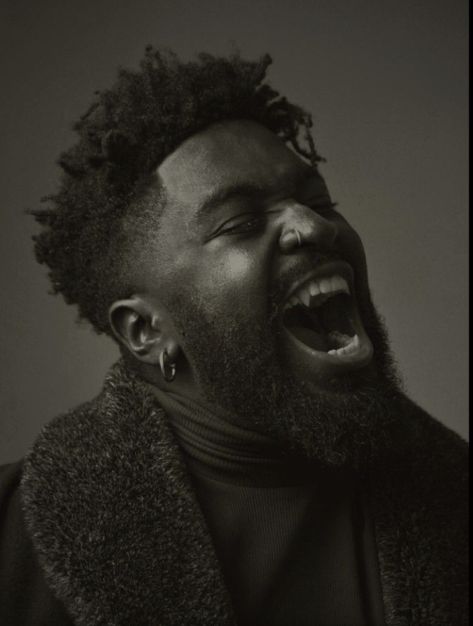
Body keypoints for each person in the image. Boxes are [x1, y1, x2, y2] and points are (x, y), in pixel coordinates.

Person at [0, 47, 468, 626]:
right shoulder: (12, 544)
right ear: (146, 331)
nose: (314, 225)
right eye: (242, 222)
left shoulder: (455, 499)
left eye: (319, 202)